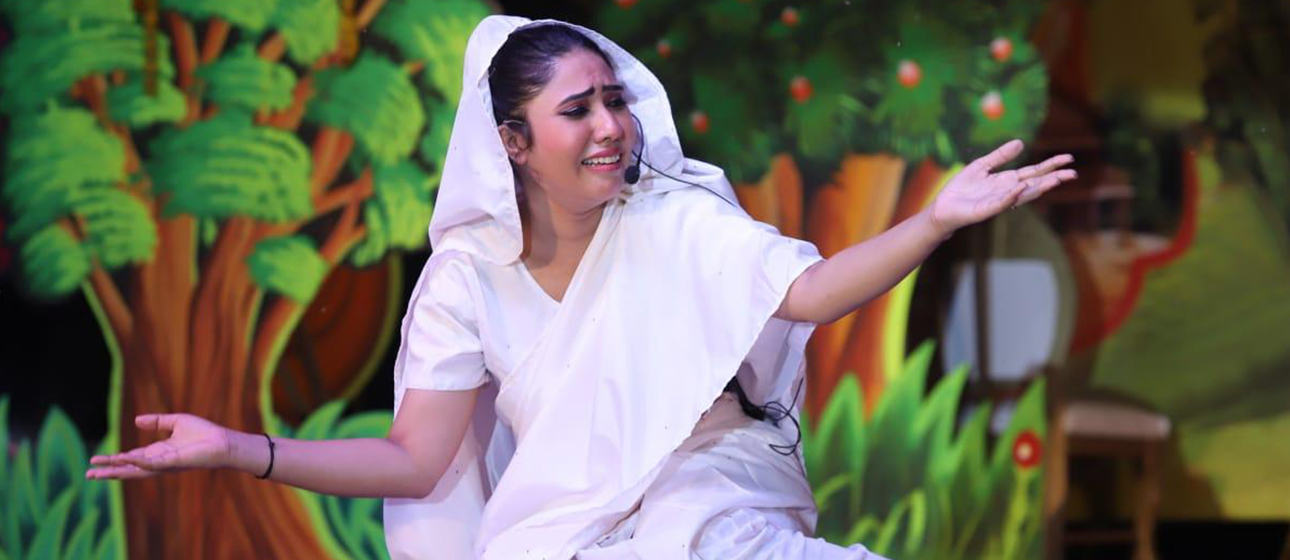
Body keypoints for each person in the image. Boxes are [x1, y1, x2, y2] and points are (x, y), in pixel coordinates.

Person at [85, 16, 1076, 560]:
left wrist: (935, 219)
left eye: (614, 99)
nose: (610, 125)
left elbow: (808, 292)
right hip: (571, 536)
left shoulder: (670, 214)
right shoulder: (467, 277)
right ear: (512, 142)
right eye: (578, 109)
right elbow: (415, 458)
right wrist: (238, 450)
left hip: (714, 507)